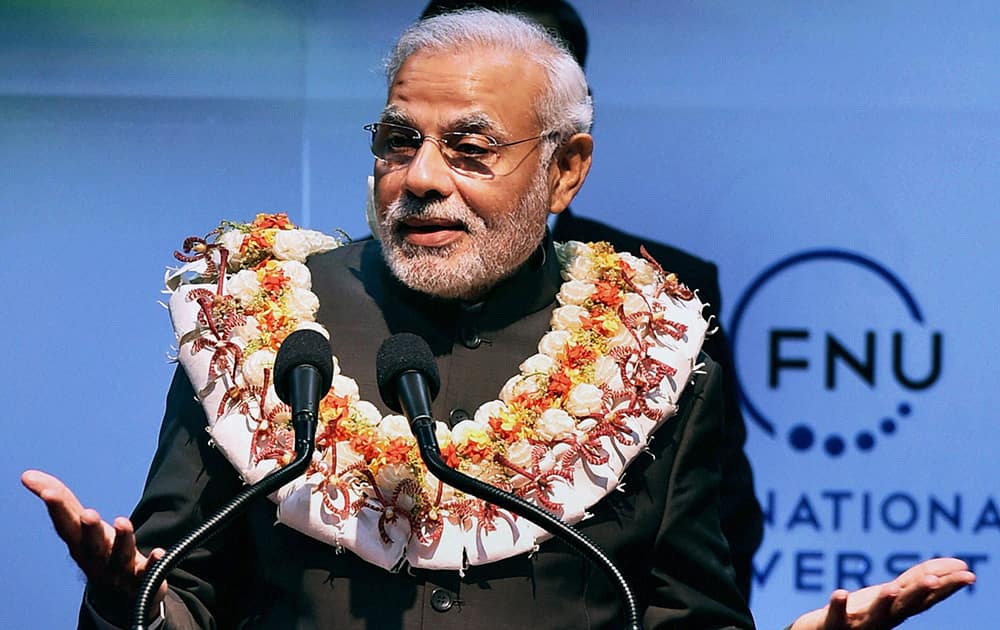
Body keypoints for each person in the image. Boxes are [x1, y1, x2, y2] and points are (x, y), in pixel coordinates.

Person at [23, 9, 974, 630]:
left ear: (566, 170)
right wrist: (128, 601)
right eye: (401, 142)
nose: (423, 179)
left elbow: (689, 614)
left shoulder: (656, 347)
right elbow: (179, 585)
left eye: (470, 149)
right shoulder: (259, 322)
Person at [419, 0, 763, 600]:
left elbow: (716, 530)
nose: (430, 174)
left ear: (566, 152)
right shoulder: (300, 306)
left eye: (474, 140)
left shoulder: (661, 300)